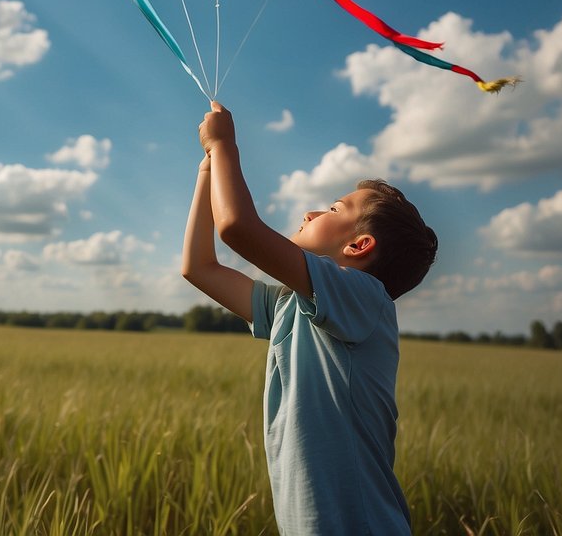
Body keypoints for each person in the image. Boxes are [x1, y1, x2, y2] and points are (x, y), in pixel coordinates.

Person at [181, 101, 437, 535]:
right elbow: (199, 268)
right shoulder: (291, 305)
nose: (311, 213)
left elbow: (237, 228)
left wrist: (225, 145)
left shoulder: (364, 296)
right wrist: (208, 171)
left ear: (359, 247)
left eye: (334, 210)